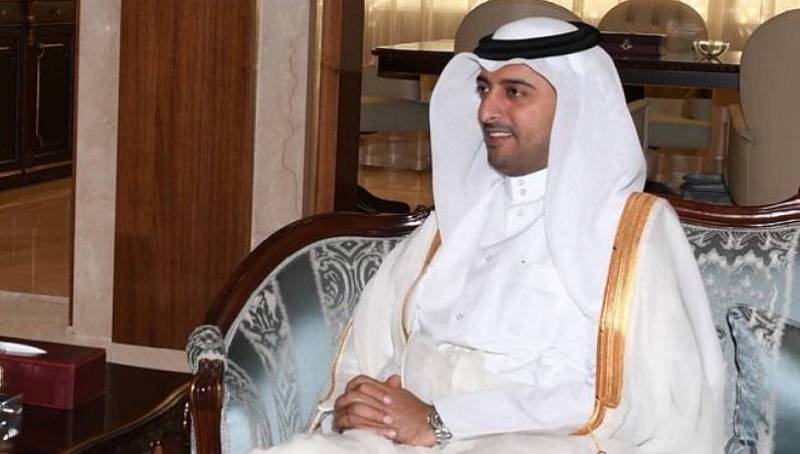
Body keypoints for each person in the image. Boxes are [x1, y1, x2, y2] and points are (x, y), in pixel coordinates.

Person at [254, 17, 725, 454]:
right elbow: (372, 344)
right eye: (484, 88)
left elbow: (637, 397)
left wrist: (442, 420)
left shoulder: (634, 231)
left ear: (575, 105)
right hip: (402, 434)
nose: (486, 110)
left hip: (538, 442)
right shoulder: (455, 219)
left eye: (514, 92)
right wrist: (360, 404)